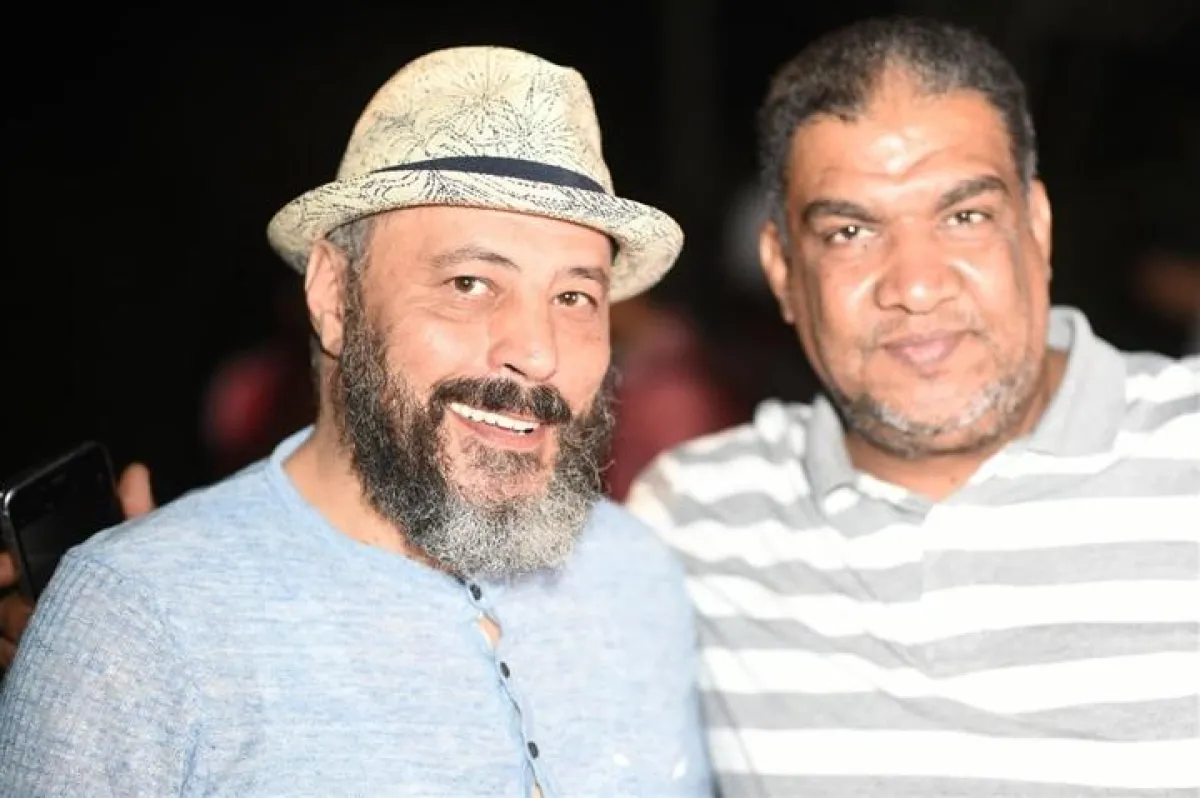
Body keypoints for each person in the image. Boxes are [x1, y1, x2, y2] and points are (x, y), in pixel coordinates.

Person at [0, 46, 711, 796]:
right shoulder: (136, 619)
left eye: (574, 297)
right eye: (470, 282)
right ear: (334, 296)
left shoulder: (643, 577)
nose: (539, 352)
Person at [627, 16, 1200, 798]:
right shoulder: (696, 520)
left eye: (964, 217)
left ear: (1036, 228)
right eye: (851, 232)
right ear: (783, 271)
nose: (917, 285)